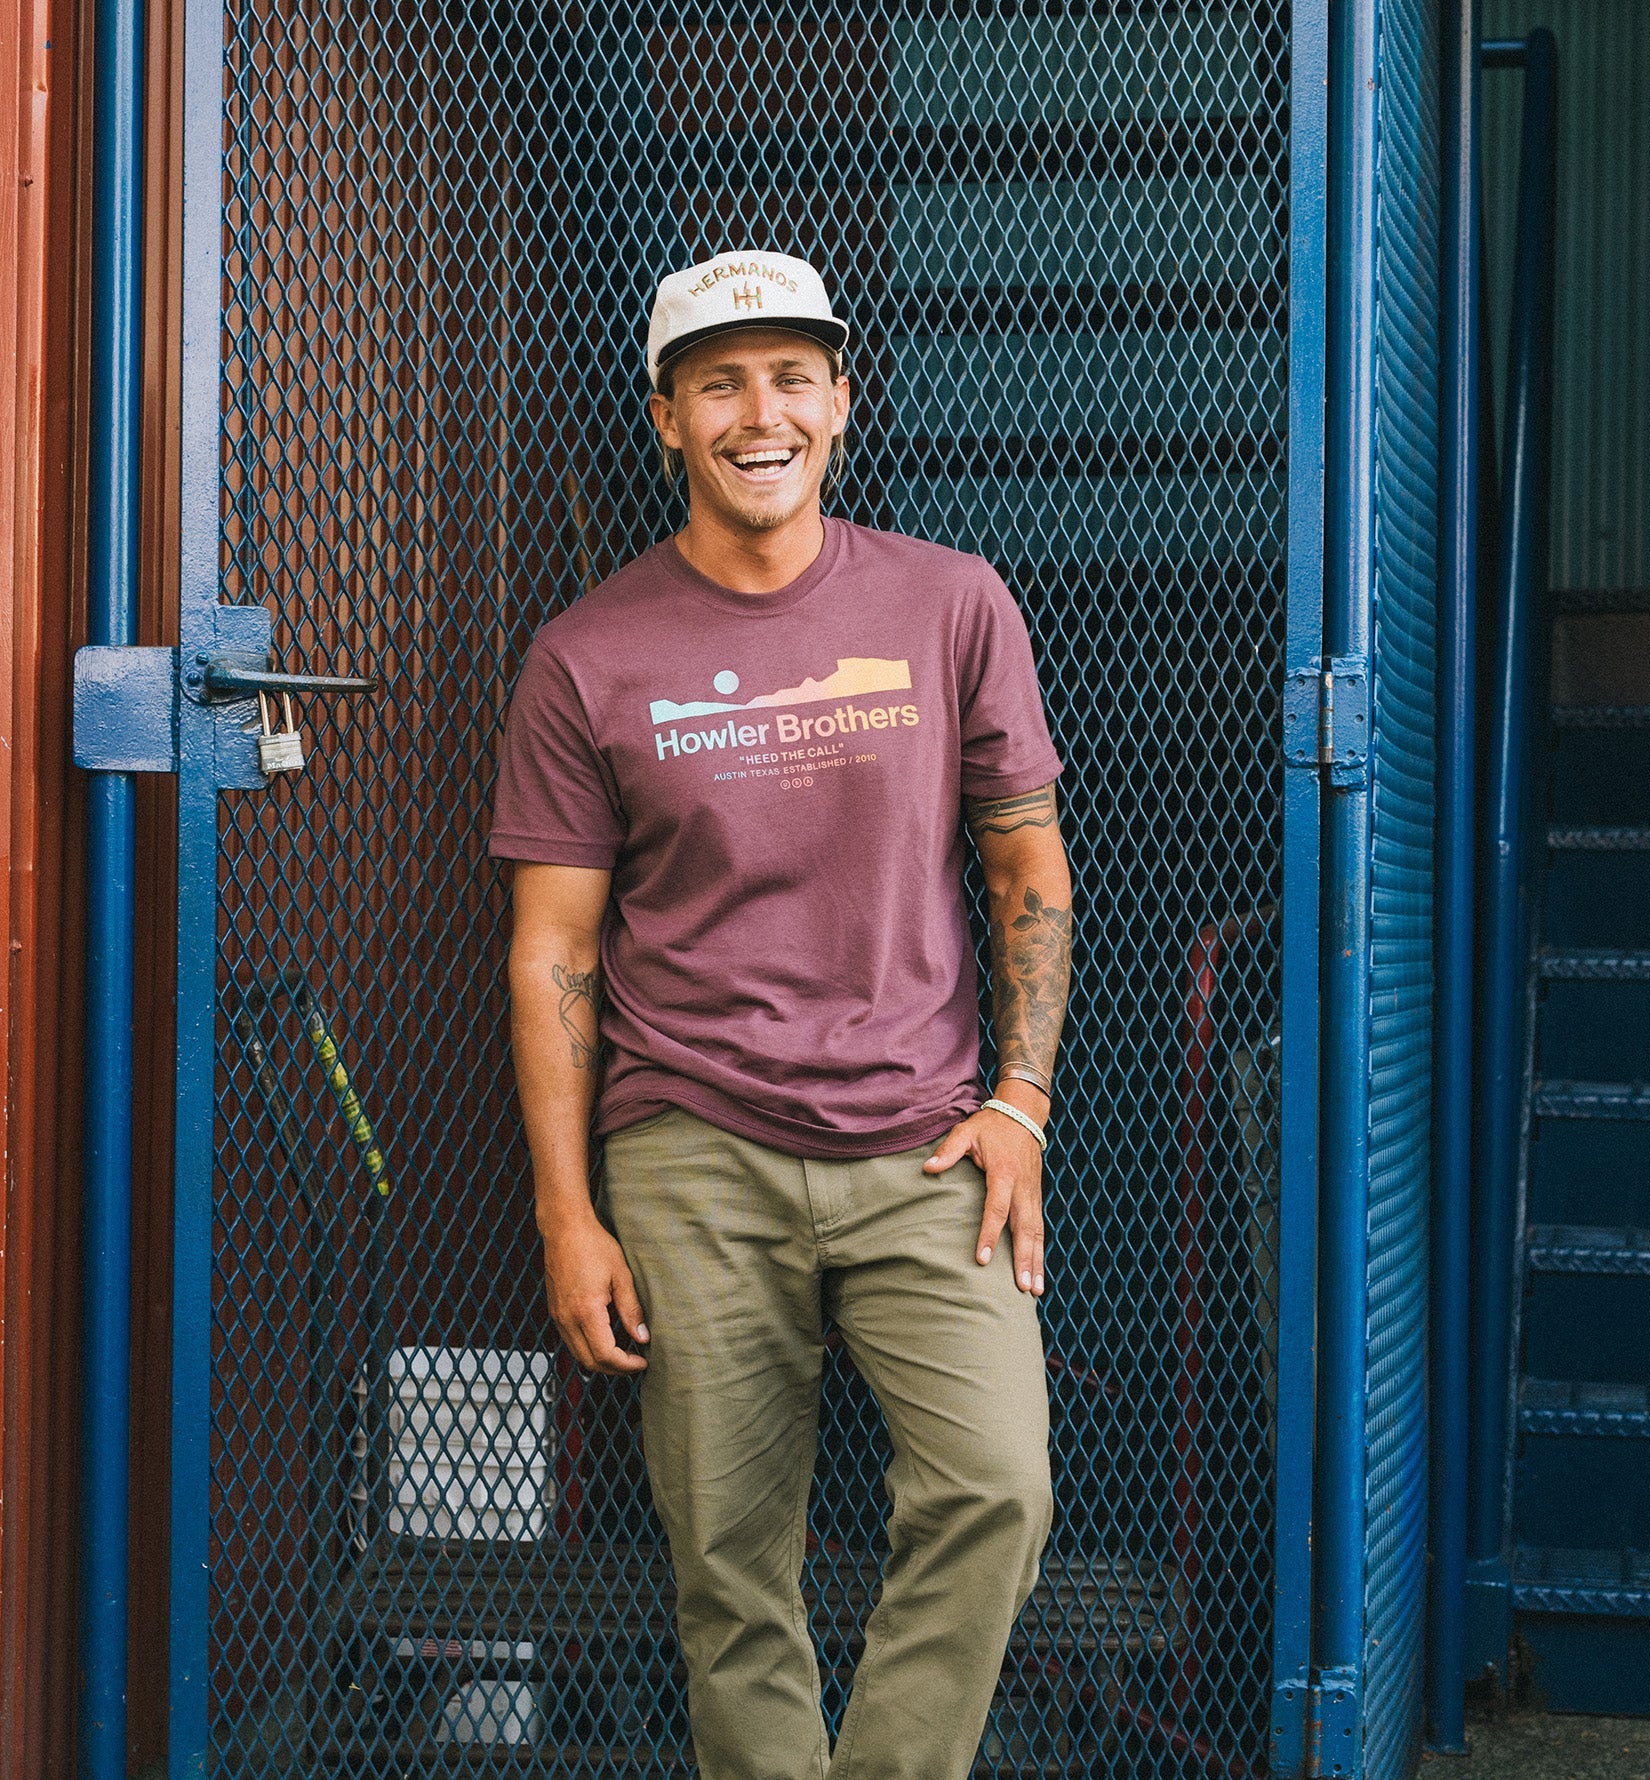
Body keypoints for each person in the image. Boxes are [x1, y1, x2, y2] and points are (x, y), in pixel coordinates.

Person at [490, 248, 1075, 1780]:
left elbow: (1025, 862)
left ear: (841, 400)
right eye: (721, 385)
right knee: (728, 1560)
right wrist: (566, 1212)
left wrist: (1020, 1104)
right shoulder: (587, 655)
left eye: (792, 378)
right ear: (667, 417)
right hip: (693, 1148)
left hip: (926, 1142)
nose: (762, 415)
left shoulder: (951, 602)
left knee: (998, 1485)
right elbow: (553, 947)